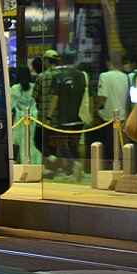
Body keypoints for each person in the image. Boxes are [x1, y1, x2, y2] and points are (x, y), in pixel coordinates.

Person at [47, 51, 87, 180]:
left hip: (64, 118)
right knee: (74, 145)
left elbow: (55, 99)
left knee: (63, 144)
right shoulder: (82, 75)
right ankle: (73, 172)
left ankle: (74, 165)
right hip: (79, 117)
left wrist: (49, 115)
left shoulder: (58, 77)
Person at [97, 58, 131, 164]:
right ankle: (125, 167)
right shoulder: (126, 77)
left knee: (109, 145)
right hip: (122, 117)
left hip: (108, 118)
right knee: (122, 144)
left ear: (108, 63)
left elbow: (103, 97)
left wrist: (96, 109)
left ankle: (110, 166)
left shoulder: (104, 76)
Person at [10, 67, 39, 164]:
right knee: (31, 141)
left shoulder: (14, 88)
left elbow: (11, 105)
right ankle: (34, 163)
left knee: (21, 141)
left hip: (20, 119)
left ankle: (24, 163)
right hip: (34, 118)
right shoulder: (34, 86)